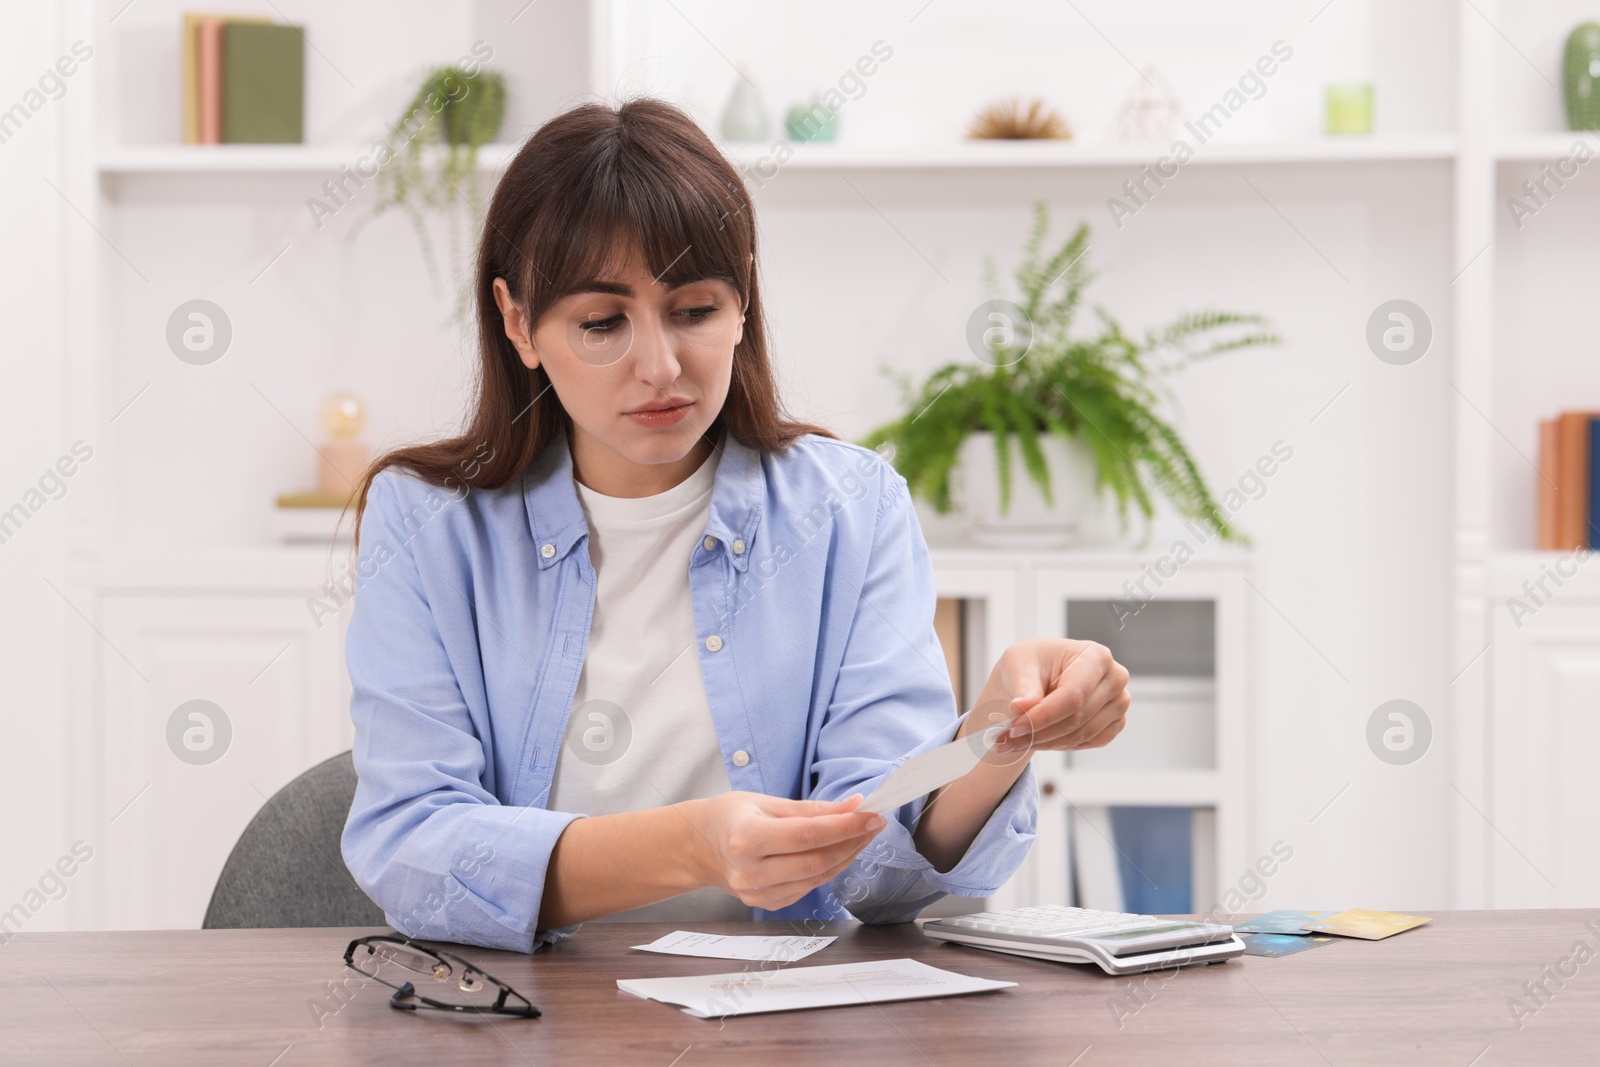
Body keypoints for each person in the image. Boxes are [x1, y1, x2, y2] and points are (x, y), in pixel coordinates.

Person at [339, 97, 1131, 953]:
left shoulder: (849, 509)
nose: (661, 366)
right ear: (520, 322)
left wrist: (991, 740)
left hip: (778, 1021)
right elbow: (411, 846)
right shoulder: (426, 521)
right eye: (602, 323)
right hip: (530, 1018)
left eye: (694, 309)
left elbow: (882, 868)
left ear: (743, 299)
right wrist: (691, 846)